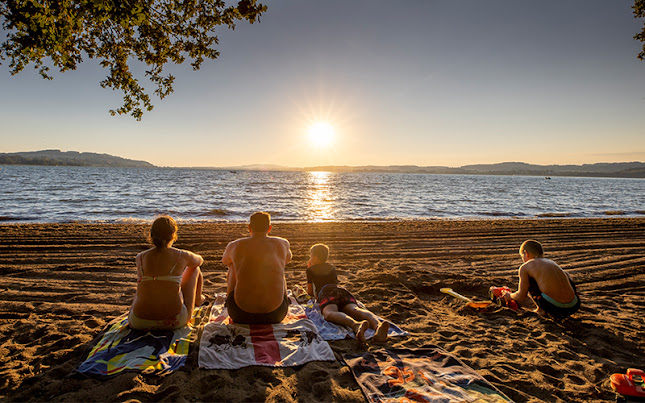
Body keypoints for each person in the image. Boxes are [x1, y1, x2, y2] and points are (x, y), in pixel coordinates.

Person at [129, 215, 204, 330]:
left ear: (151, 235)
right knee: (194, 269)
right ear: (173, 235)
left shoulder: (140, 257)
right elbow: (199, 261)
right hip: (174, 320)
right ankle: (198, 299)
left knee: (143, 282)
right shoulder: (181, 255)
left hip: (139, 322)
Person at [306, 243, 390, 343]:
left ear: (315, 258)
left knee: (330, 313)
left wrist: (310, 268)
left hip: (327, 294)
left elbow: (310, 292)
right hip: (341, 292)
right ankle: (378, 325)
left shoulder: (310, 270)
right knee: (354, 310)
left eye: (310, 257)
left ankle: (355, 325)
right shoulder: (331, 267)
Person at [222, 212, 292, 324]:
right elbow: (287, 259)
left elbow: (225, 261)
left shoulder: (235, 245)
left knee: (233, 264)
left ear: (249, 227)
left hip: (240, 314)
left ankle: (229, 300)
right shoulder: (283, 243)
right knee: (279, 264)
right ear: (269, 228)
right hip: (276, 314)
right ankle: (282, 298)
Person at [503, 240, 581, 318]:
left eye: (522, 256)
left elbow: (521, 296)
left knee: (529, 279)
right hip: (574, 306)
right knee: (565, 274)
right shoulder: (552, 263)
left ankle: (540, 310)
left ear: (526, 253)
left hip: (555, 307)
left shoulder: (526, 267)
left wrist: (509, 296)